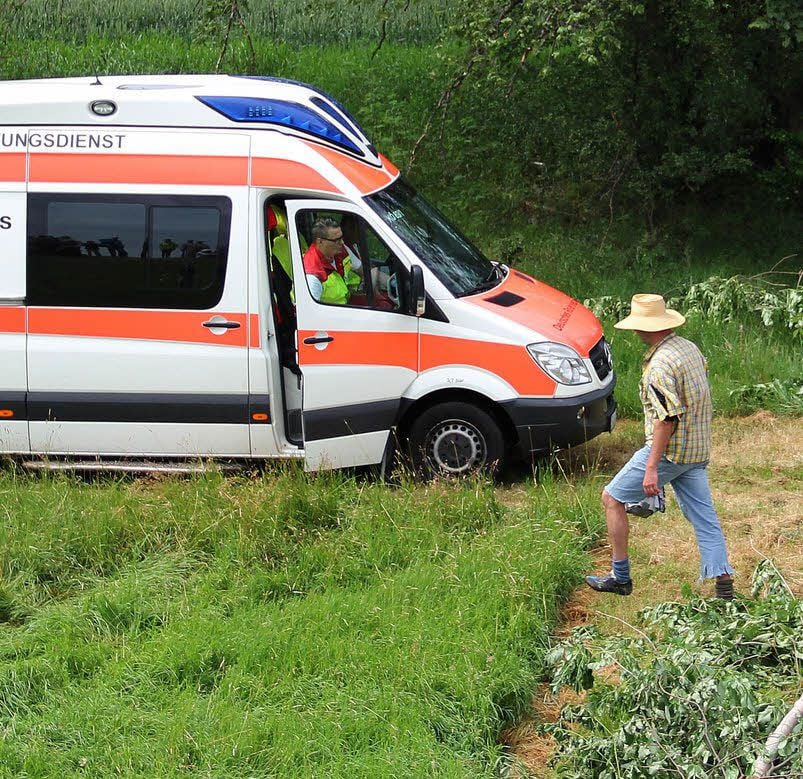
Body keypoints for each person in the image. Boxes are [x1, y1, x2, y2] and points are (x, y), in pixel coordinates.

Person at [585, 293, 735, 599]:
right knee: (705, 518)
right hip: (697, 450)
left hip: (671, 452)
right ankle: (724, 586)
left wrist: (652, 467)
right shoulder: (688, 348)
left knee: (612, 498)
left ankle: (620, 577)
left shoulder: (658, 367)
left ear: (644, 327)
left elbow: (667, 419)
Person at [302, 217, 362, 305]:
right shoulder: (312, 275)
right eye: (336, 240)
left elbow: (363, 270)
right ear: (320, 242)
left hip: (348, 303)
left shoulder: (341, 249)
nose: (342, 242)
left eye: (341, 237)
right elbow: (310, 314)